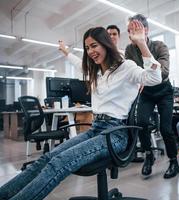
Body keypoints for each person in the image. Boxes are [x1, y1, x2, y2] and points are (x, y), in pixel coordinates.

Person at [0, 25, 162, 200]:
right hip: (95, 129)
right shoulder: (97, 72)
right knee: (45, 159)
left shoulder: (126, 67)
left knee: (59, 163)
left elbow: (154, 77)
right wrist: (65, 51)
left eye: (94, 46)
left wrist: (141, 43)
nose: (90, 51)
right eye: (87, 48)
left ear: (105, 44)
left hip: (115, 133)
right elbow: (79, 63)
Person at [125, 14, 179, 179]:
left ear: (146, 30)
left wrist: (142, 45)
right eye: (129, 30)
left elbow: (162, 73)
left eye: (136, 29)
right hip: (146, 92)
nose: (132, 33)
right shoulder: (129, 50)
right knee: (140, 123)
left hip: (164, 92)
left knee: (165, 129)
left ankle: (173, 161)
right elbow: (130, 73)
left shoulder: (160, 46)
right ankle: (149, 155)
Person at [58, 24, 123, 68]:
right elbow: (82, 66)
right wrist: (65, 51)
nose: (111, 36)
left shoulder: (124, 56)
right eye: (109, 34)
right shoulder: (98, 59)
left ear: (119, 36)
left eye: (114, 34)